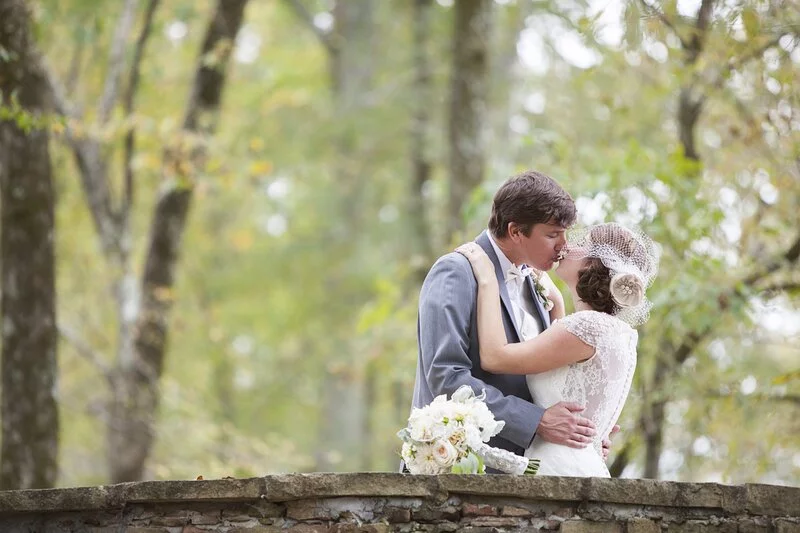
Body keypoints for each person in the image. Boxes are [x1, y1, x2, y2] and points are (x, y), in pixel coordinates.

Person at [408, 171, 611, 473]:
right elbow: (445, 377)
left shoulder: (538, 283)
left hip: (523, 474)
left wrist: (581, 430)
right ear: (516, 231)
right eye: (553, 234)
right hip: (460, 471)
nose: (564, 246)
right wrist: (537, 421)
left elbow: (540, 379)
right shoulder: (456, 273)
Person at [456, 222, 660, 476]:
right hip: (576, 463)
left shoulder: (587, 327)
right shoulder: (618, 332)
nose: (567, 246)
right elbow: (565, 370)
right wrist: (556, 301)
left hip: (557, 465)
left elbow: (494, 357)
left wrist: (488, 280)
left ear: (592, 264)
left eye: (581, 244)